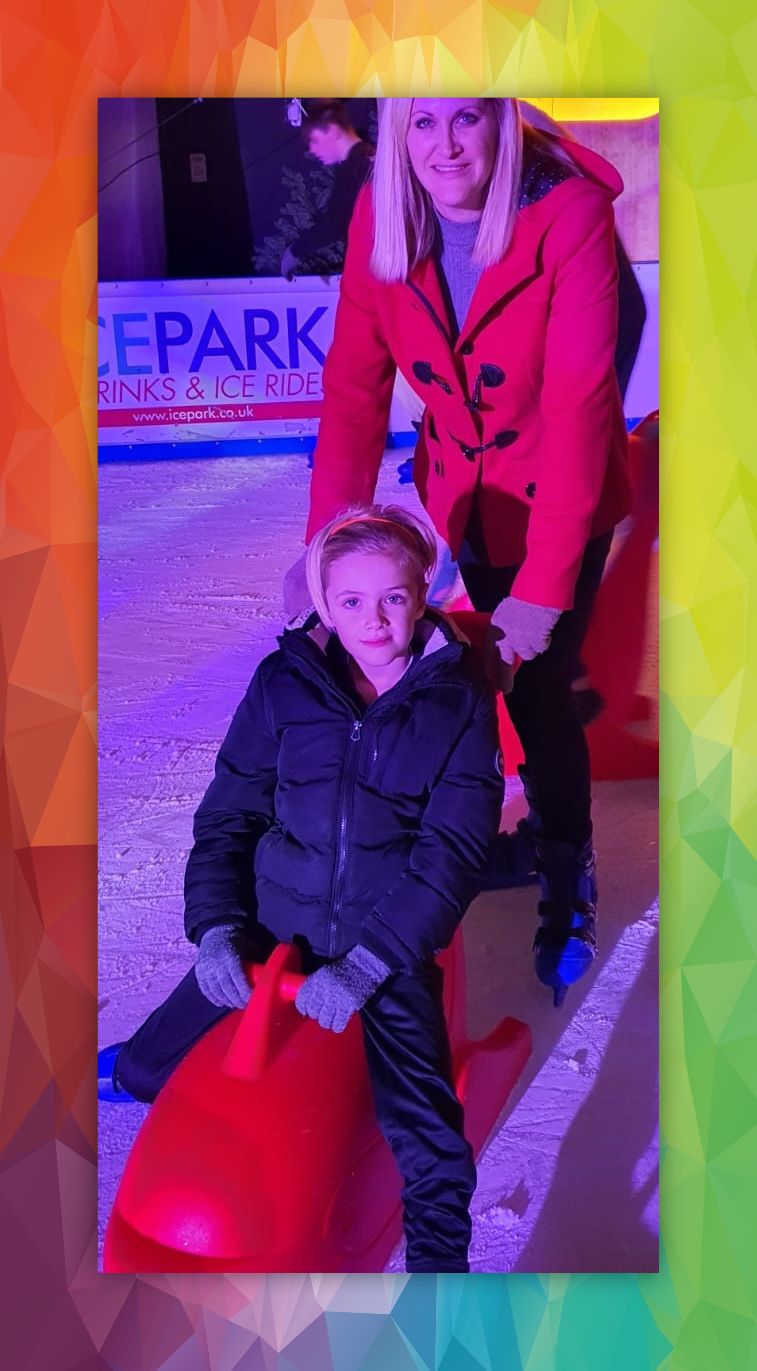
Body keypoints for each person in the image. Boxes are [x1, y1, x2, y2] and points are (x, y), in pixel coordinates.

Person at [284, 98, 633, 1007]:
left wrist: (543, 590)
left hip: (559, 501)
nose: (444, 147)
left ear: (505, 122)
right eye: (423, 121)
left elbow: (581, 408)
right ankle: (465, 839)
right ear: (398, 127)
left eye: (468, 119)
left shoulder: (568, 214)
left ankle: (566, 863)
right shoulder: (382, 206)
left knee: (541, 678)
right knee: (465, 677)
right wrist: (332, 547)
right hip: (463, 499)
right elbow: (354, 389)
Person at [99, 504, 504, 1274]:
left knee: (429, 1145)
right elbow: (230, 811)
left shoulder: (458, 699)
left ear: (422, 591)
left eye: (391, 596)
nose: (373, 619)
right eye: (350, 600)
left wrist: (369, 963)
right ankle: (140, 1059)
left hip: (381, 946)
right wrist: (218, 926)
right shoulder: (284, 683)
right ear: (323, 602)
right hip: (270, 924)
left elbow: (450, 851)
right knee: (149, 1073)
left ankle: (442, 1291)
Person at [280, 100, 374, 280]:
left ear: (332, 131)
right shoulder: (367, 158)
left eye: (314, 140)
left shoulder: (355, 169)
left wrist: (294, 252)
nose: (312, 150)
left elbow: (336, 223)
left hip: (369, 279)